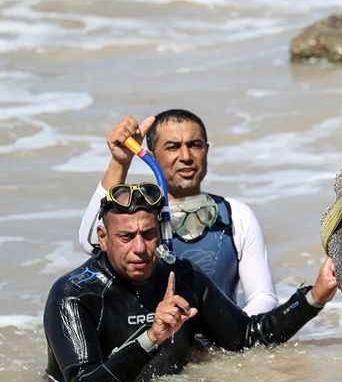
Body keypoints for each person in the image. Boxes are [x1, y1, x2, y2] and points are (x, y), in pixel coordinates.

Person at [46, 182, 338, 382]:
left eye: (148, 234)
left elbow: (248, 337)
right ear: (103, 237)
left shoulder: (183, 277)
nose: (140, 248)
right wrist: (152, 337)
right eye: (126, 237)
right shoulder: (73, 295)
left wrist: (314, 297)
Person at [78, 109, 277, 314]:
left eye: (195, 145)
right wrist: (120, 163)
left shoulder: (236, 215)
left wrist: (229, 328)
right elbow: (90, 242)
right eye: (172, 147)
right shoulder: (139, 216)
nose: (186, 156)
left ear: (206, 150)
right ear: (152, 156)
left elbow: (263, 297)